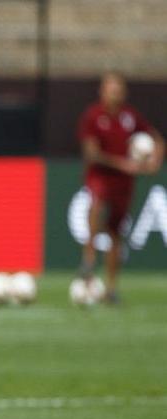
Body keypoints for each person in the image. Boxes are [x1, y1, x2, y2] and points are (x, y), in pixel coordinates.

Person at [77, 72, 164, 303]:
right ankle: (89, 258)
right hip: (101, 175)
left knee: (116, 233)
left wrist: (155, 160)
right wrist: (124, 164)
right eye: (110, 88)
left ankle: (111, 288)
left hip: (124, 182)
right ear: (102, 91)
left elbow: (157, 139)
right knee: (96, 205)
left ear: (124, 92)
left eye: (118, 89)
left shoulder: (130, 117)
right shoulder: (93, 116)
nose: (114, 93)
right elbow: (92, 153)